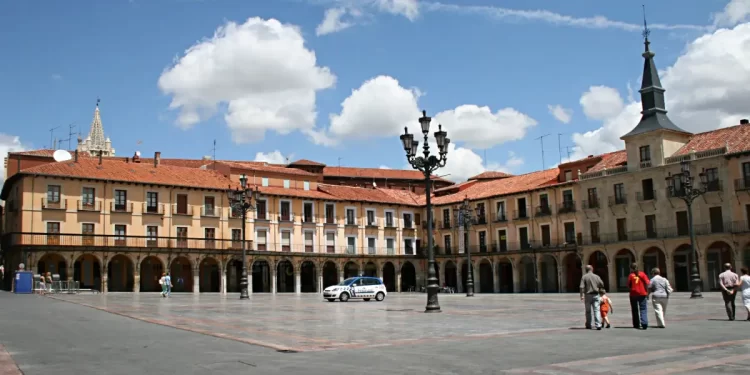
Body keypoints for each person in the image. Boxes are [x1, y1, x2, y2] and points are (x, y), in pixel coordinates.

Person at [579, 265, 605, 330]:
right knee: (597, 310)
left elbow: (581, 287)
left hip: (588, 295)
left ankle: (589, 324)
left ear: (586, 270)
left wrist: (581, 295)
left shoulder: (584, 277)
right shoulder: (596, 276)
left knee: (588, 311)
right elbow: (602, 284)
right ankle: (598, 325)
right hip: (596, 295)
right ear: (592, 269)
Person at [627, 263, 650, 330]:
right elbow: (647, 283)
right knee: (643, 309)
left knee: (634, 310)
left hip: (633, 294)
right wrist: (647, 293)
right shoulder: (642, 274)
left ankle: (636, 324)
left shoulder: (631, 275)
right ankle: (644, 323)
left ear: (631, 268)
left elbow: (628, 285)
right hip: (642, 293)